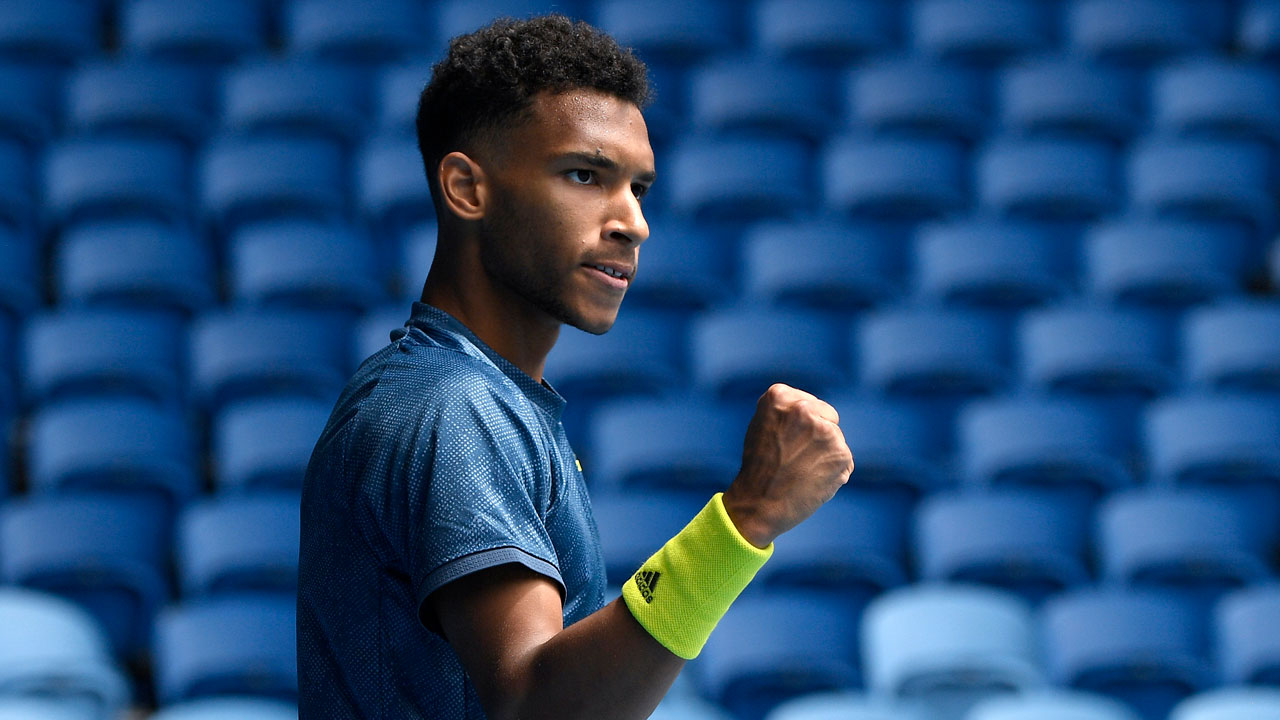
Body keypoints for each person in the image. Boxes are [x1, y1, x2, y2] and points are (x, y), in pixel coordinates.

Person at [297, 14, 854, 720]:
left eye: (639, 188)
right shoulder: (453, 406)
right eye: (585, 175)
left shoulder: (478, 395)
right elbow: (539, 706)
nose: (632, 221)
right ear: (468, 188)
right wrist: (745, 520)